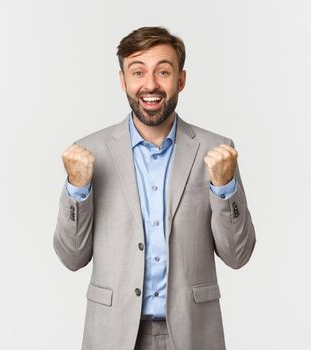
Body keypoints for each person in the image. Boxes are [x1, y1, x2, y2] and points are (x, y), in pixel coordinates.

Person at [53, 26, 256, 350]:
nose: (150, 84)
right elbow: (72, 257)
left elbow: (238, 255)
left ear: (181, 79)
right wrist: (77, 187)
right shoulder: (90, 152)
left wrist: (225, 186)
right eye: (138, 72)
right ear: (122, 80)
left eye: (163, 71)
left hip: (193, 331)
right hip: (113, 332)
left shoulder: (216, 150)